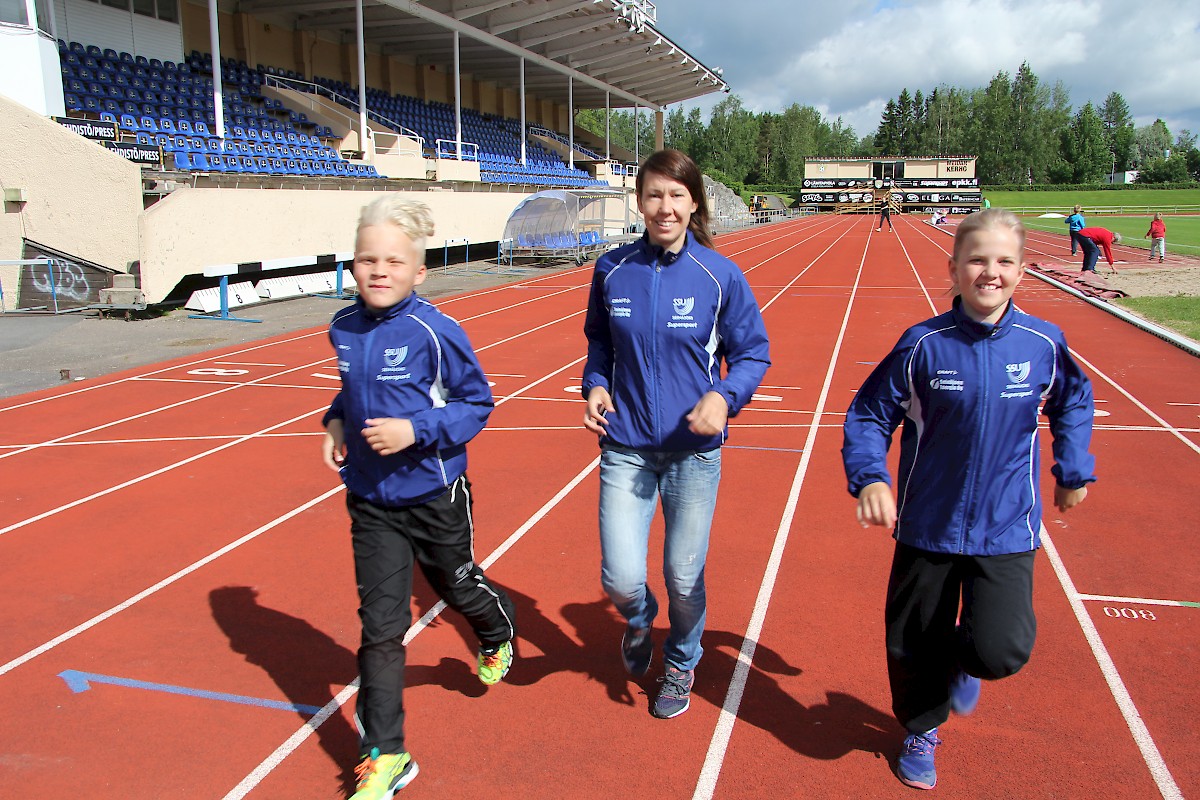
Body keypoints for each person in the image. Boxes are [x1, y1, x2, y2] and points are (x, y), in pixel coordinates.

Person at [842, 208, 1096, 791]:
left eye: (1004, 261)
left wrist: (1073, 468)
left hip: (1006, 524)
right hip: (927, 522)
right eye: (977, 260)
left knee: (1001, 650)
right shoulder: (923, 345)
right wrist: (869, 477)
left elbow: (1074, 403)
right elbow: (868, 414)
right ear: (954, 269)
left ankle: (962, 662)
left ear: (1022, 271)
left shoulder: (1042, 343)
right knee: (912, 642)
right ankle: (920, 730)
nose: (991, 272)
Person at [321, 196, 517, 798]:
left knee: (456, 585)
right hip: (370, 503)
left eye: (394, 262)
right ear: (352, 267)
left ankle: (495, 632)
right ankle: (385, 755)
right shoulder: (343, 327)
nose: (380, 271)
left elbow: (476, 404)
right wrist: (333, 424)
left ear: (419, 271)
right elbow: (352, 393)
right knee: (380, 629)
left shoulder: (437, 331)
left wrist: (415, 431)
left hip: (435, 495)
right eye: (367, 260)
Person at [582, 149, 771, 720]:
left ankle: (682, 661)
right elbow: (599, 345)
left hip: (694, 455)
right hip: (626, 448)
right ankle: (640, 619)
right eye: (654, 195)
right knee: (619, 578)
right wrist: (593, 385)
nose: (665, 207)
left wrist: (723, 396)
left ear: (693, 203)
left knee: (684, 578)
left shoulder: (720, 275)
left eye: (676, 195)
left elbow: (754, 354)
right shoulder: (612, 270)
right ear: (639, 202)